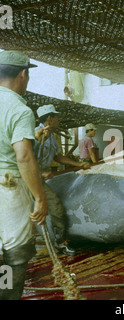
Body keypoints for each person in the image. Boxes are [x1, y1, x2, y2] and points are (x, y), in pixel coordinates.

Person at [0, 50, 48, 300]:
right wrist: (39, 197)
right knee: (15, 251)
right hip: (7, 186)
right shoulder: (19, 109)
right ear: (23, 75)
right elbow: (24, 157)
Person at [34, 104, 90, 255]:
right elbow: (23, 158)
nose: (59, 120)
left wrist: (79, 164)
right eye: (57, 117)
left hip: (38, 180)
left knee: (56, 208)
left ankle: (60, 243)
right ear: (50, 119)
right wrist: (40, 172)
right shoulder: (33, 134)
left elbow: (58, 157)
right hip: (27, 179)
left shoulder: (51, 137)